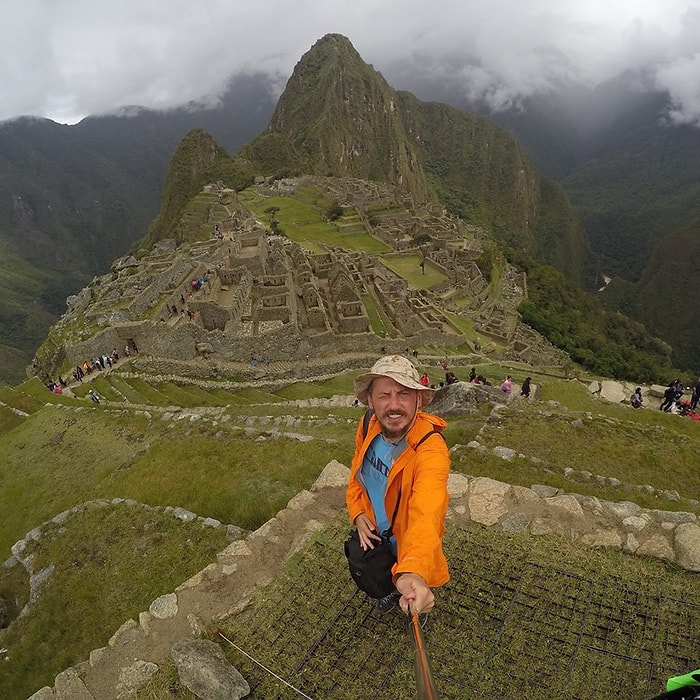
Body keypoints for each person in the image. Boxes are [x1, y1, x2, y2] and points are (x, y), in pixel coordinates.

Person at [346, 355, 450, 619]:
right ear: (370, 400)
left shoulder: (430, 449)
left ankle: (412, 598)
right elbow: (357, 472)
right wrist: (357, 512)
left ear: (418, 399)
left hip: (408, 540)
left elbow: (428, 510)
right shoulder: (368, 425)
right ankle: (389, 592)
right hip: (374, 529)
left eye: (403, 394)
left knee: (407, 584)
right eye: (384, 395)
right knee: (368, 568)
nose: (394, 405)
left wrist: (414, 570)